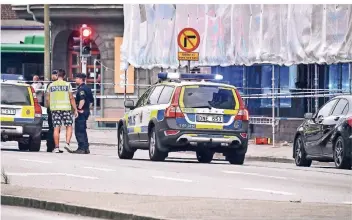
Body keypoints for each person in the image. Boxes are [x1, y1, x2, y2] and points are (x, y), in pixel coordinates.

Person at [46, 69, 78, 153]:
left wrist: (50, 107)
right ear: (64, 76)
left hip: (55, 109)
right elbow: (71, 98)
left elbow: (47, 99)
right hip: (66, 108)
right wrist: (75, 109)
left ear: (57, 75)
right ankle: (67, 144)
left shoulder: (51, 85)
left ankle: (56, 147)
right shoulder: (67, 85)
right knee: (69, 126)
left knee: (56, 128)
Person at [67, 73, 93, 154]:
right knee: (83, 130)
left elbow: (82, 100)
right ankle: (86, 148)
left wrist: (78, 109)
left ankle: (81, 148)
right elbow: (91, 101)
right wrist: (87, 109)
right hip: (86, 111)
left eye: (76, 78)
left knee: (79, 131)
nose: (75, 80)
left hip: (81, 112)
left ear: (80, 79)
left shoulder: (81, 89)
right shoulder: (88, 88)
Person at [45, 70, 58, 152]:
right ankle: (51, 146)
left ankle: (52, 146)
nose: (53, 76)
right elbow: (47, 97)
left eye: (55, 75)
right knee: (54, 128)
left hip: (52, 108)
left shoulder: (50, 85)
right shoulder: (51, 85)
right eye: (53, 74)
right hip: (56, 109)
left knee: (52, 128)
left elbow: (47, 98)